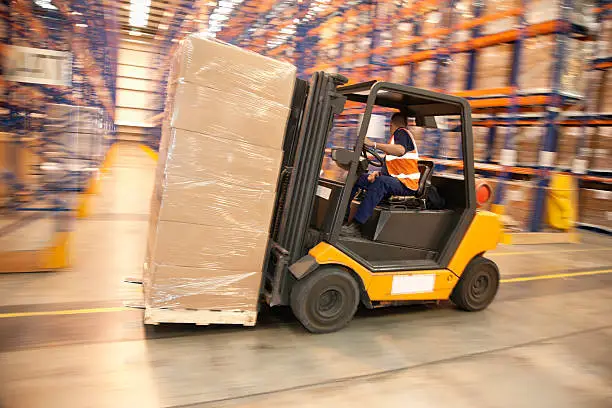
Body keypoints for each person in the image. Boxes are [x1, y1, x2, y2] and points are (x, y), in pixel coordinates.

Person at [341, 112, 420, 237]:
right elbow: (394, 167)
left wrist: (374, 144)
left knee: (381, 183)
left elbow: (400, 151)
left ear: (391, 125)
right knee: (357, 178)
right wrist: (377, 173)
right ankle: (343, 218)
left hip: (407, 185)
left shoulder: (402, 132)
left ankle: (356, 226)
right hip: (397, 181)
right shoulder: (395, 140)